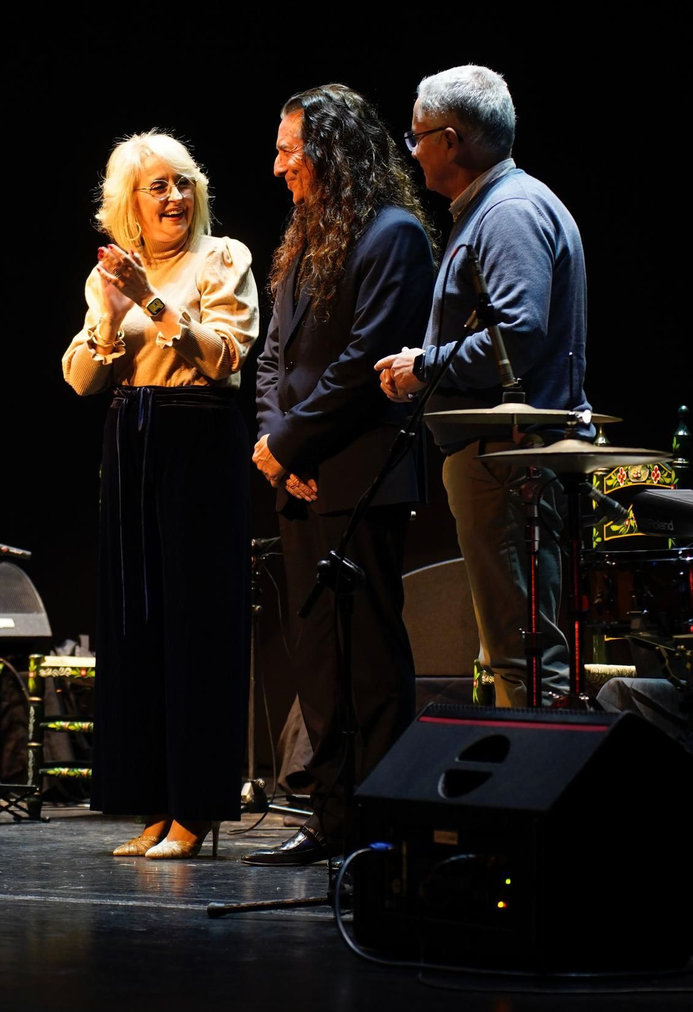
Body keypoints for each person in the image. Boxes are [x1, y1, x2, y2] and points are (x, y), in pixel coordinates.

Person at [241, 85, 437, 867]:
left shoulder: (392, 237)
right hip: (299, 476)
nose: (279, 164)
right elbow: (272, 358)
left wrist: (291, 444)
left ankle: (383, 825)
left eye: (291, 149)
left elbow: (364, 364)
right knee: (317, 656)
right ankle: (331, 820)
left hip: (361, 474)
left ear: (330, 152)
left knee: (372, 658)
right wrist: (274, 443)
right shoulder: (303, 233)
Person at [61, 130, 258, 859]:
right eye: (158, 187)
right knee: (136, 623)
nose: (174, 197)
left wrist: (152, 302)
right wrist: (113, 316)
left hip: (198, 437)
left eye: (183, 182)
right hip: (130, 437)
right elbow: (82, 379)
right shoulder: (109, 276)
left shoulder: (222, 258)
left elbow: (226, 359)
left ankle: (197, 807)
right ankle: (153, 803)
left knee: (195, 624)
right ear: (129, 206)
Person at [374, 65, 590, 708]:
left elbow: (516, 337)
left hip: (507, 456)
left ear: (451, 139)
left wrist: (422, 367)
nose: (411, 153)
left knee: (524, 655)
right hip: (499, 455)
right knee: (509, 651)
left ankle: (533, 803)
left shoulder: (509, 213)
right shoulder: (497, 207)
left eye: (415, 139)